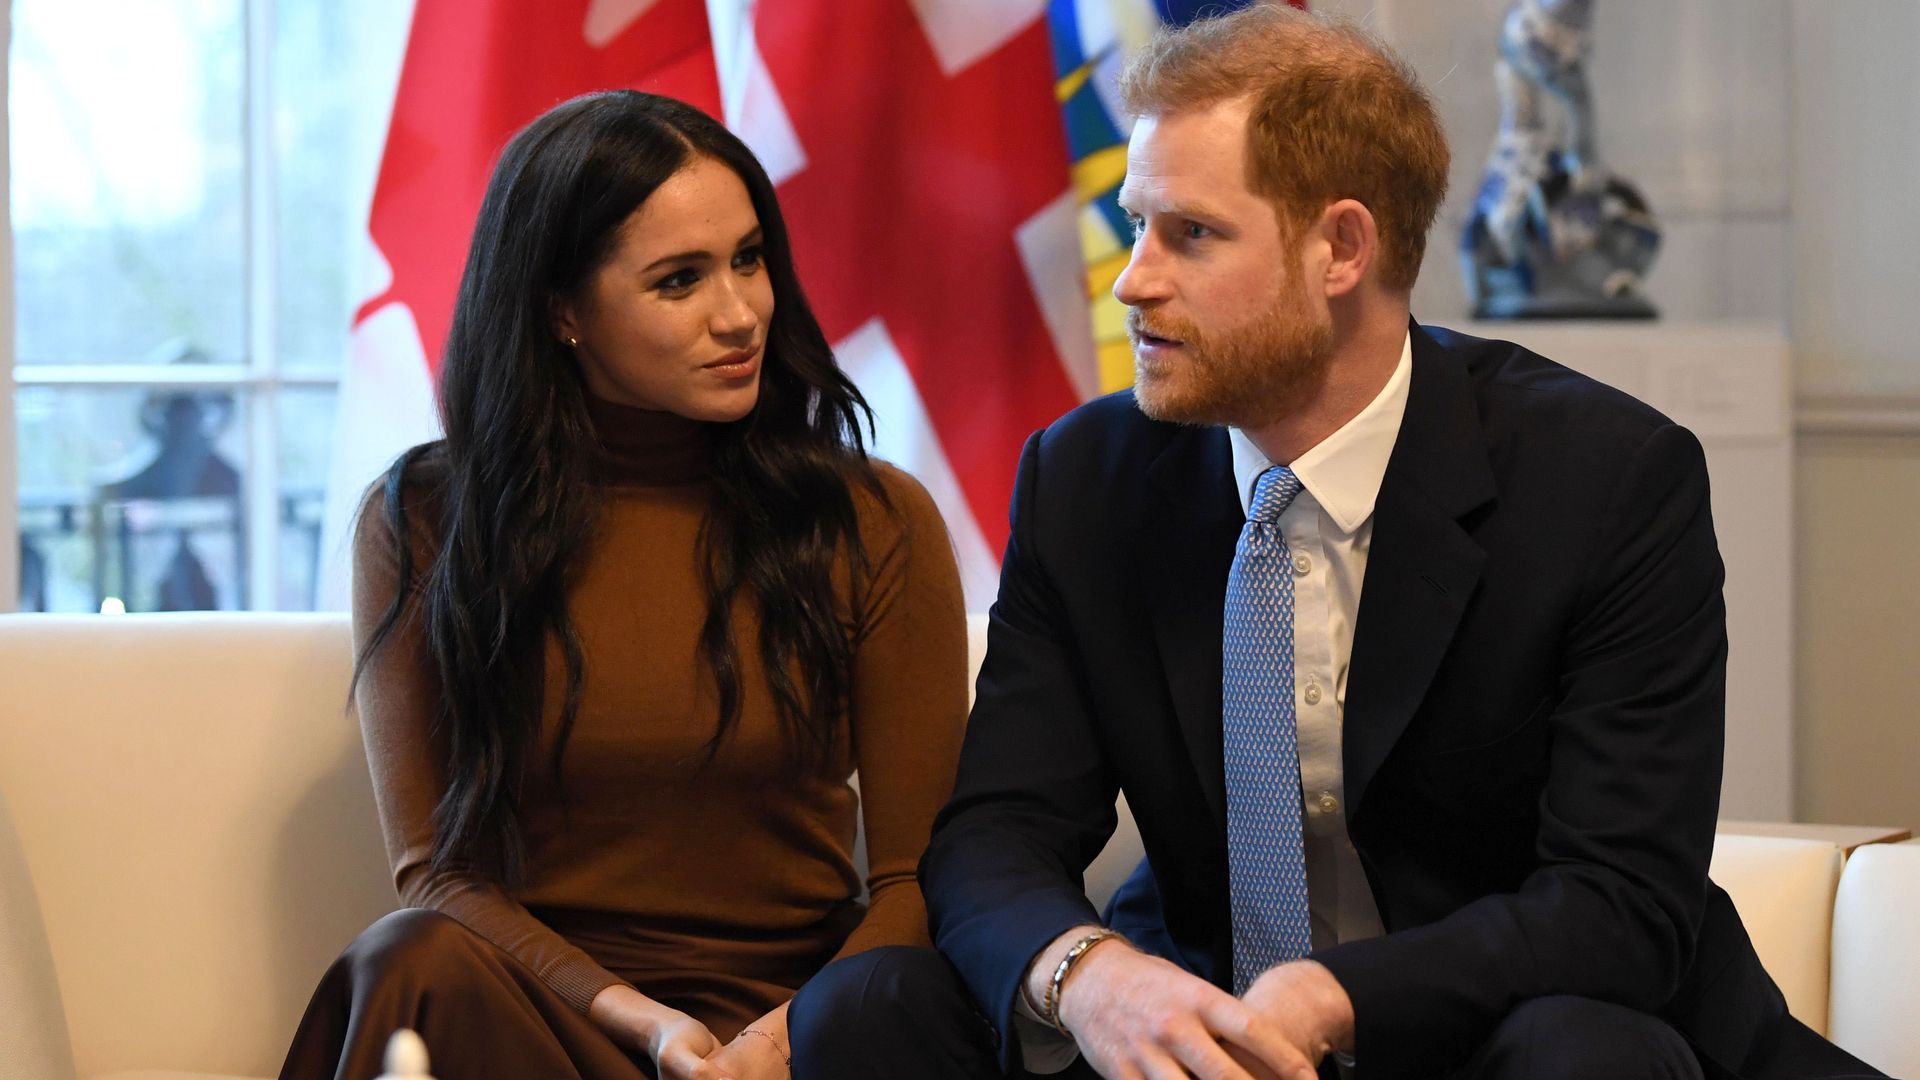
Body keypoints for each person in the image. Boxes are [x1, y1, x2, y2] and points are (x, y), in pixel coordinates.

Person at [787, 7, 1884, 1080]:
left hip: (1500, 1025)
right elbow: (996, 834)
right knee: (866, 1010)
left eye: (1192, 234)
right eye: (1135, 226)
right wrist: (1090, 975)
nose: (1133, 280)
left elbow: (1620, 904)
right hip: (1200, 1029)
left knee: (1578, 1052)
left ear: (1342, 248)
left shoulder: (1607, 480)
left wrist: (1336, 996)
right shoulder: (1088, 479)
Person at [279, 91, 967, 1080]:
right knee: (408, 962)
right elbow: (437, 873)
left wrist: (779, 1039)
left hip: (800, 1019)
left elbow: (917, 876)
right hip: (552, 1011)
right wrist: (647, 1026)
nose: (740, 314)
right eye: (678, 281)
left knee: (897, 1001)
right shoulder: (426, 514)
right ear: (562, 311)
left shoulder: (870, 516)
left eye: (749, 259)